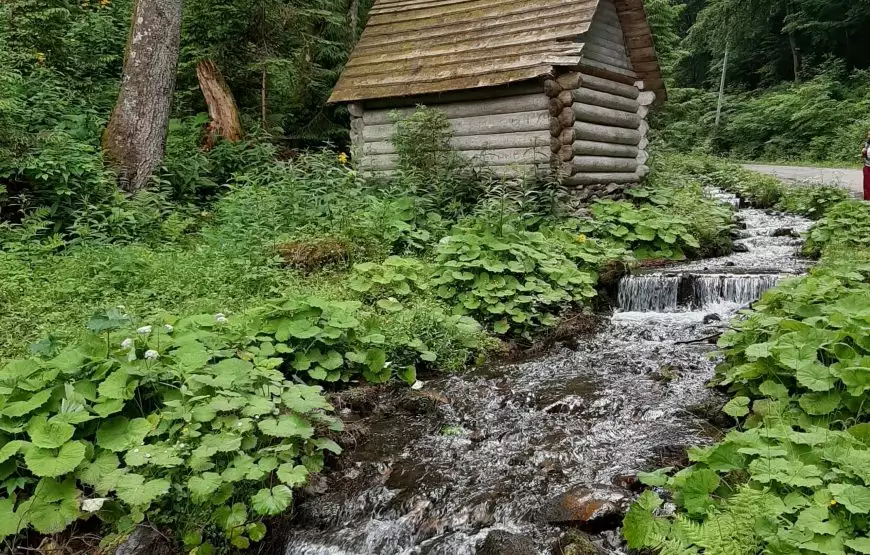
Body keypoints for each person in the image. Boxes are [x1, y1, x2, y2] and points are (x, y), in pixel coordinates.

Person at [864, 130, 870, 200]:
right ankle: (867, 201)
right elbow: (863, 156)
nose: (869, 136)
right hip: (867, 166)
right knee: (867, 185)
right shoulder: (866, 144)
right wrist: (863, 152)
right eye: (868, 134)